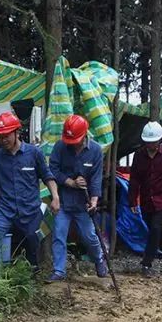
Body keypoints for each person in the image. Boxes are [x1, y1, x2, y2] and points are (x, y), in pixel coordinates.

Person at [0, 112, 60, 271]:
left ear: (17, 132)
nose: (3, 140)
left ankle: (32, 271)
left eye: (6, 135)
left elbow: (48, 176)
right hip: (6, 209)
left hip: (30, 210)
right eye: (0, 136)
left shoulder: (34, 153)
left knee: (32, 241)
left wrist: (55, 197)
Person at [47, 114, 109, 281]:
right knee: (59, 235)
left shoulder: (95, 150)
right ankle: (59, 270)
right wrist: (70, 182)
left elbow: (96, 178)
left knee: (89, 236)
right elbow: (52, 170)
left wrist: (94, 201)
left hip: (83, 204)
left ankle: (99, 259)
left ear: (85, 134)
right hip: (63, 201)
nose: (72, 143)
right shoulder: (60, 147)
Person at [127, 120, 162, 277]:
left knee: (155, 227)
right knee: (157, 230)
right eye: (148, 142)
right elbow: (134, 180)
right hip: (147, 200)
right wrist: (132, 200)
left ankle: (147, 263)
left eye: (153, 142)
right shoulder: (139, 156)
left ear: (160, 140)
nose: (151, 145)